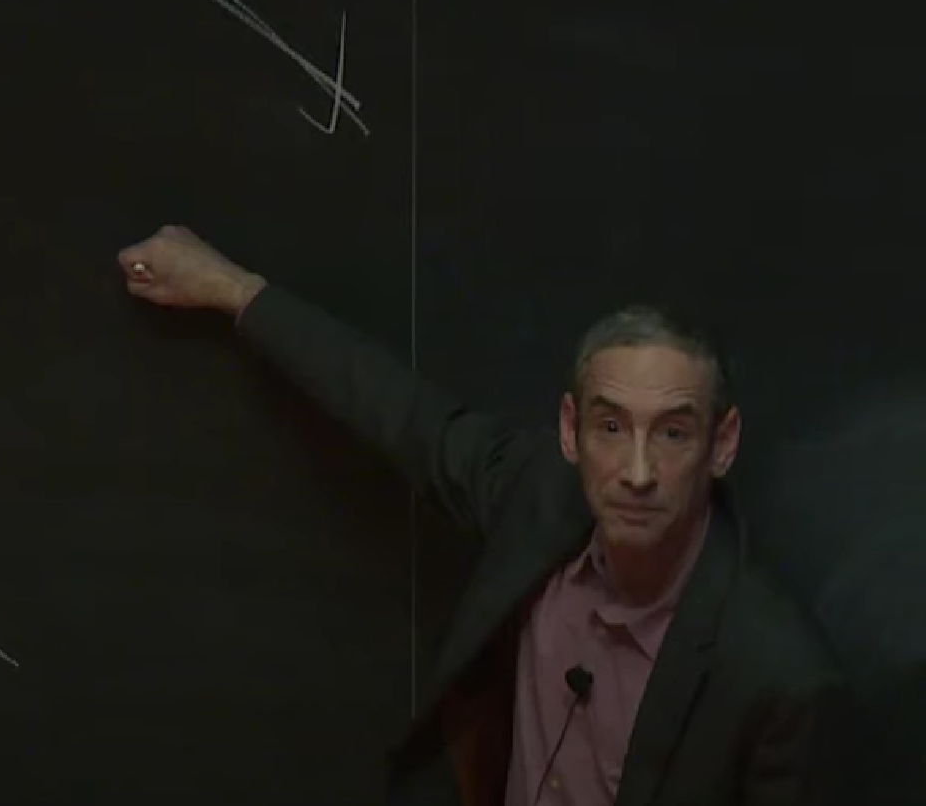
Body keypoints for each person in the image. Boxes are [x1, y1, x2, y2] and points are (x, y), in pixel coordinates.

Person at [116, 225, 846, 806]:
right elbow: (400, 413)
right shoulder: (540, 497)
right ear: (570, 431)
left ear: (722, 444)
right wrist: (233, 289)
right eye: (610, 426)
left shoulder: (778, 677)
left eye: (673, 433)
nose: (636, 471)